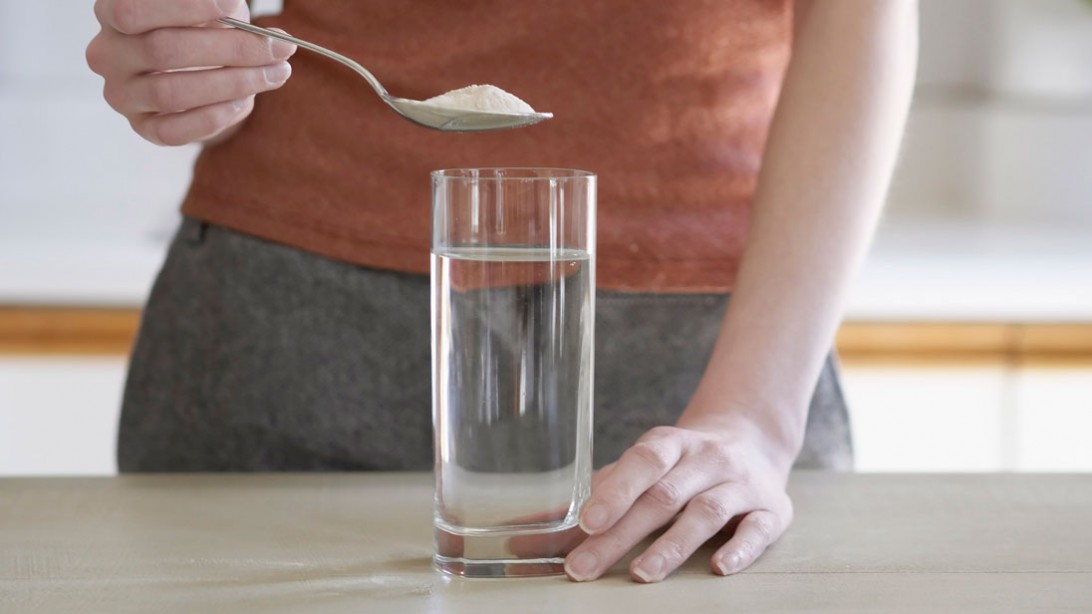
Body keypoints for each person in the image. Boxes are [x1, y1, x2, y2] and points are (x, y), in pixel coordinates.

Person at [86, 0, 917, 584]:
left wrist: (754, 417)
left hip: (697, 377)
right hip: (277, 331)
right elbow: (189, 36)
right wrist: (190, 52)